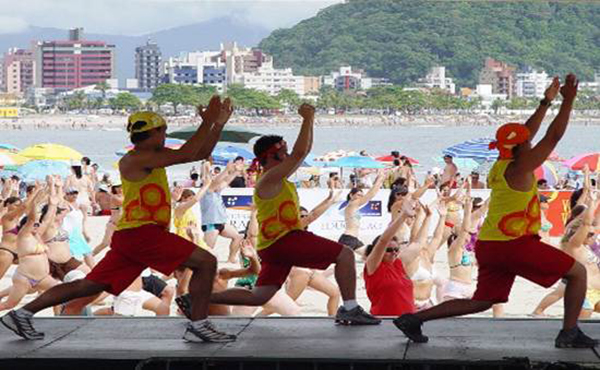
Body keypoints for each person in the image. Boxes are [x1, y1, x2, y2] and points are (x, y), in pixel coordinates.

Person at [1, 96, 237, 343]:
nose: (165, 136)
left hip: (133, 236)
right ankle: (199, 323)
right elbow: (189, 153)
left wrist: (217, 124)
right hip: (142, 234)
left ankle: (23, 313)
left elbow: (200, 152)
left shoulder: (153, 154)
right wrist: (208, 121)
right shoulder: (137, 159)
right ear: (155, 132)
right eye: (164, 131)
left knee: (89, 286)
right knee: (207, 262)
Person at [393, 75, 597, 348]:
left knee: (483, 301)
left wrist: (546, 102)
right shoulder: (521, 166)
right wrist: (568, 101)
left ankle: (414, 319)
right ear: (521, 147)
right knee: (577, 274)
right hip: (514, 245)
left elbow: (527, 132)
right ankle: (569, 332)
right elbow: (553, 136)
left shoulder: (502, 164)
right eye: (525, 141)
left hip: (490, 244)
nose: (529, 142)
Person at [210, 104, 380, 325]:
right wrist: (307, 118)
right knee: (345, 255)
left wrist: (311, 120)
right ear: (271, 155)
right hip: (284, 241)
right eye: (284, 152)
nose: (289, 155)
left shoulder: (275, 179)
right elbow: (301, 153)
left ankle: (201, 296)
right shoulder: (270, 178)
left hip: (273, 246)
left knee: (259, 296)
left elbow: (303, 150)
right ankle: (350, 308)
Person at [200, 161, 244, 263]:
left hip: (221, 223)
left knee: (238, 237)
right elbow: (216, 181)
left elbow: (226, 181)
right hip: (211, 224)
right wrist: (226, 170)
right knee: (207, 251)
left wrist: (235, 172)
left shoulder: (216, 191)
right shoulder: (207, 190)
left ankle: (231, 258)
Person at [338, 170, 384, 253]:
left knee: (369, 255)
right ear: (351, 195)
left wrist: (379, 179)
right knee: (341, 262)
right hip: (348, 239)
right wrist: (380, 178)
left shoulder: (354, 205)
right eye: (358, 195)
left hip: (354, 239)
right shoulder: (352, 204)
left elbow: (371, 194)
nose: (360, 197)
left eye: (361, 195)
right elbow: (371, 194)